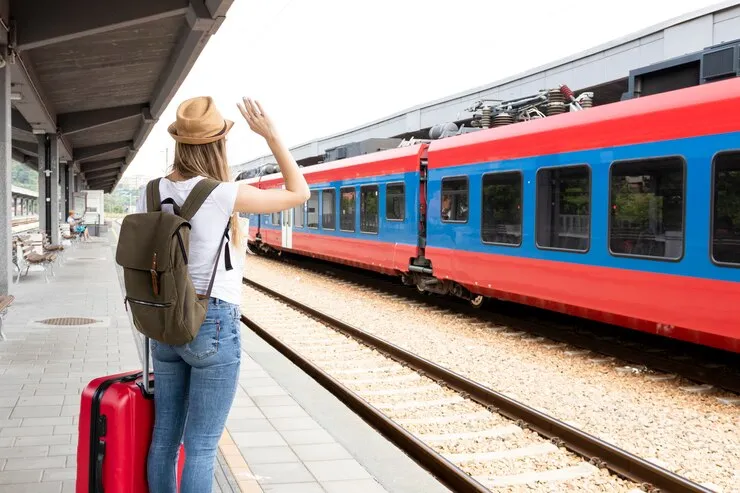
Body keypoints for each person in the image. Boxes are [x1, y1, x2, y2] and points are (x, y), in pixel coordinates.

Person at [137, 96, 310, 493]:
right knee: (200, 447)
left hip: (164, 322)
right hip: (211, 321)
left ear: (180, 143)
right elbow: (299, 193)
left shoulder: (152, 190)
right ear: (217, 145)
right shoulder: (222, 193)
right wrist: (271, 135)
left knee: (165, 439)